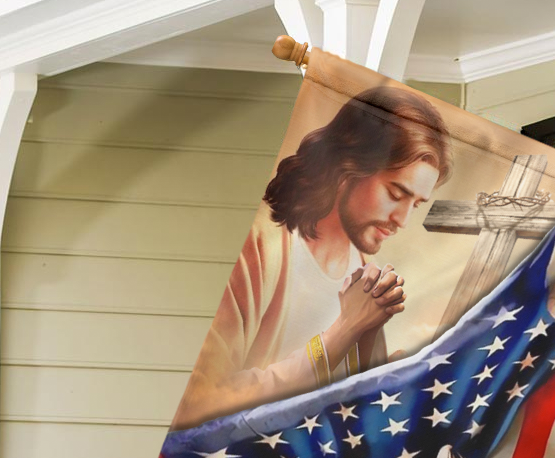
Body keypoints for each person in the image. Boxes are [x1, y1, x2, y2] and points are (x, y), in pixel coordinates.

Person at [170, 84, 453, 431]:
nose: (402, 220)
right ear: (349, 166)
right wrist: (343, 330)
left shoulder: (367, 277)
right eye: (396, 193)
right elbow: (201, 404)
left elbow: (356, 413)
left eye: (416, 205)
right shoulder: (259, 247)